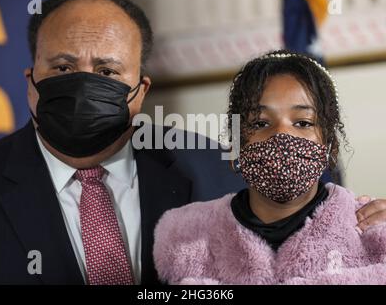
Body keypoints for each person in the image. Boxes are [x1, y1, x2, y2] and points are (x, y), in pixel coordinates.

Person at [0, 0, 384, 285]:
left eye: (107, 72)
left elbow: (315, 245)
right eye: (62, 67)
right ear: (30, 81)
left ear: (140, 92)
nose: (84, 84)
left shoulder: (222, 167)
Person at [153, 51, 386, 284]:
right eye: (261, 123)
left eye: (303, 123)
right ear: (237, 146)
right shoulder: (182, 237)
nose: (281, 135)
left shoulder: (374, 229)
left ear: (330, 146)